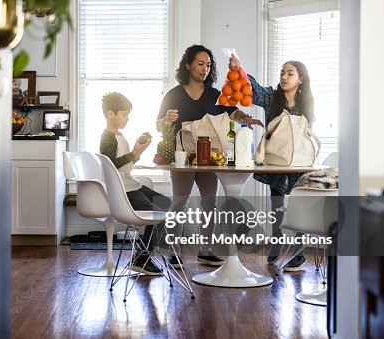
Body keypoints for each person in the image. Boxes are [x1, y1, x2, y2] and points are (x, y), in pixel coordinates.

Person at [157, 45, 263, 268]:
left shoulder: (214, 94)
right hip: (182, 157)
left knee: (209, 202)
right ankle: (173, 252)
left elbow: (232, 112)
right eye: (200, 63)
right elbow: (159, 125)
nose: (205, 68)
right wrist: (167, 118)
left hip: (209, 156)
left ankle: (205, 250)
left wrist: (247, 119)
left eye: (208, 65)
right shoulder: (174, 94)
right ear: (188, 65)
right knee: (179, 203)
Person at [231, 55, 315, 271]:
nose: (284, 77)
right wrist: (239, 70)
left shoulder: (307, 103)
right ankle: (276, 240)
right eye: (282, 73)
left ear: (301, 79)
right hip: (276, 160)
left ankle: (298, 251)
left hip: (299, 162)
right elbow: (253, 90)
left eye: (290, 73)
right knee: (276, 203)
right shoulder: (271, 97)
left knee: (299, 204)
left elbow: (307, 134)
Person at [100, 92, 171, 275]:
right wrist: (133, 154)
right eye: (124, 114)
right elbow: (111, 166)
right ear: (110, 114)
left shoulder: (118, 136)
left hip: (131, 184)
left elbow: (124, 165)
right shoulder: (107, 137)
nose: (127, 119)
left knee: (167, 204)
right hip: (123, 190)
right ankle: (142, 258)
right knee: (157, 215)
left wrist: (138, 152)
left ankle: (142, 254)